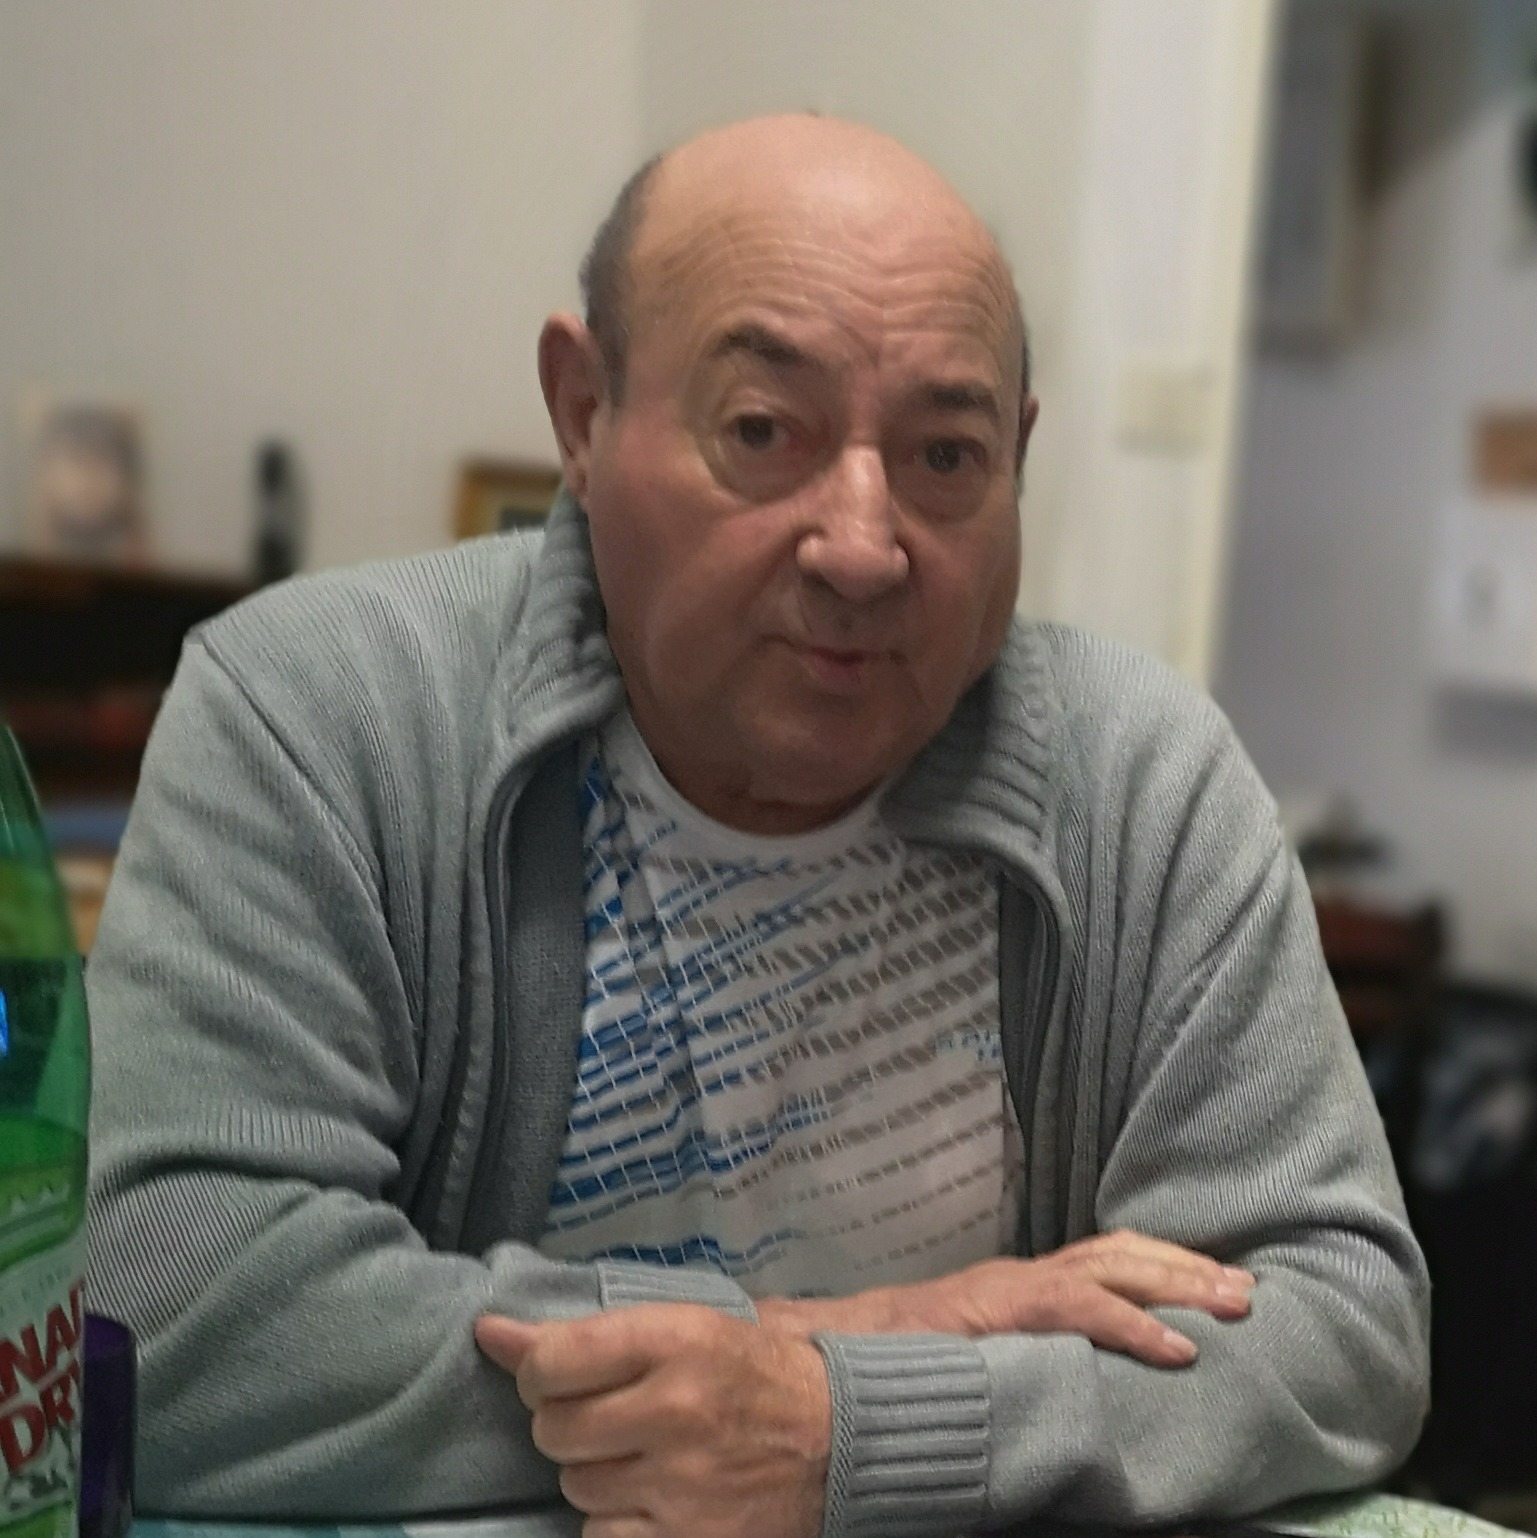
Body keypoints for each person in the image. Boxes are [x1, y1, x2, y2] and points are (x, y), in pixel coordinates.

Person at [87, 115, 1429, 1538]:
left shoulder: (1139, 780)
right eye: (761, 433)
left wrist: (849, 1429)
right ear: (583, 414)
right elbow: (159, 1297)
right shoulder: (326, 712)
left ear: (1018, 463)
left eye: (946, 454)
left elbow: (1338, 1322)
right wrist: (837, 1342)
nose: (862, 544)